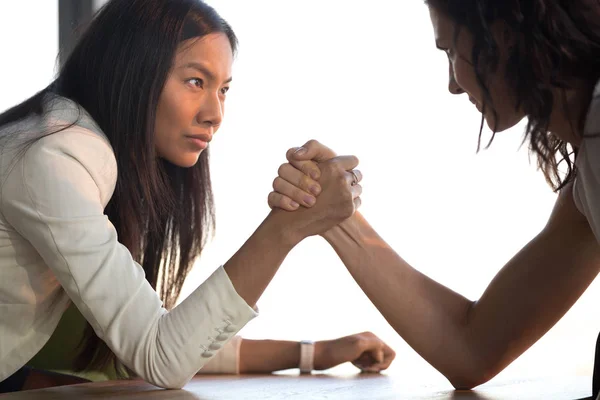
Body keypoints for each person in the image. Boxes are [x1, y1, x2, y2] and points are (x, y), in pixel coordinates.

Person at [0, 0, 397, 393]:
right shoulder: (57, 156)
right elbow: (162, 355)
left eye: (223, 89)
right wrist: (285, 228)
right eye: (196, 82)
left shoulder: (79, 148)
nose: (215, 113)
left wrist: (309, 353)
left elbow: (165, 334)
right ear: (133, 71)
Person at [269, 0, 600, 397]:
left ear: (505, 33)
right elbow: (473, 348)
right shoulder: (588, 177)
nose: (453, 84)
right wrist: (336, 216)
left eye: (452, 50)